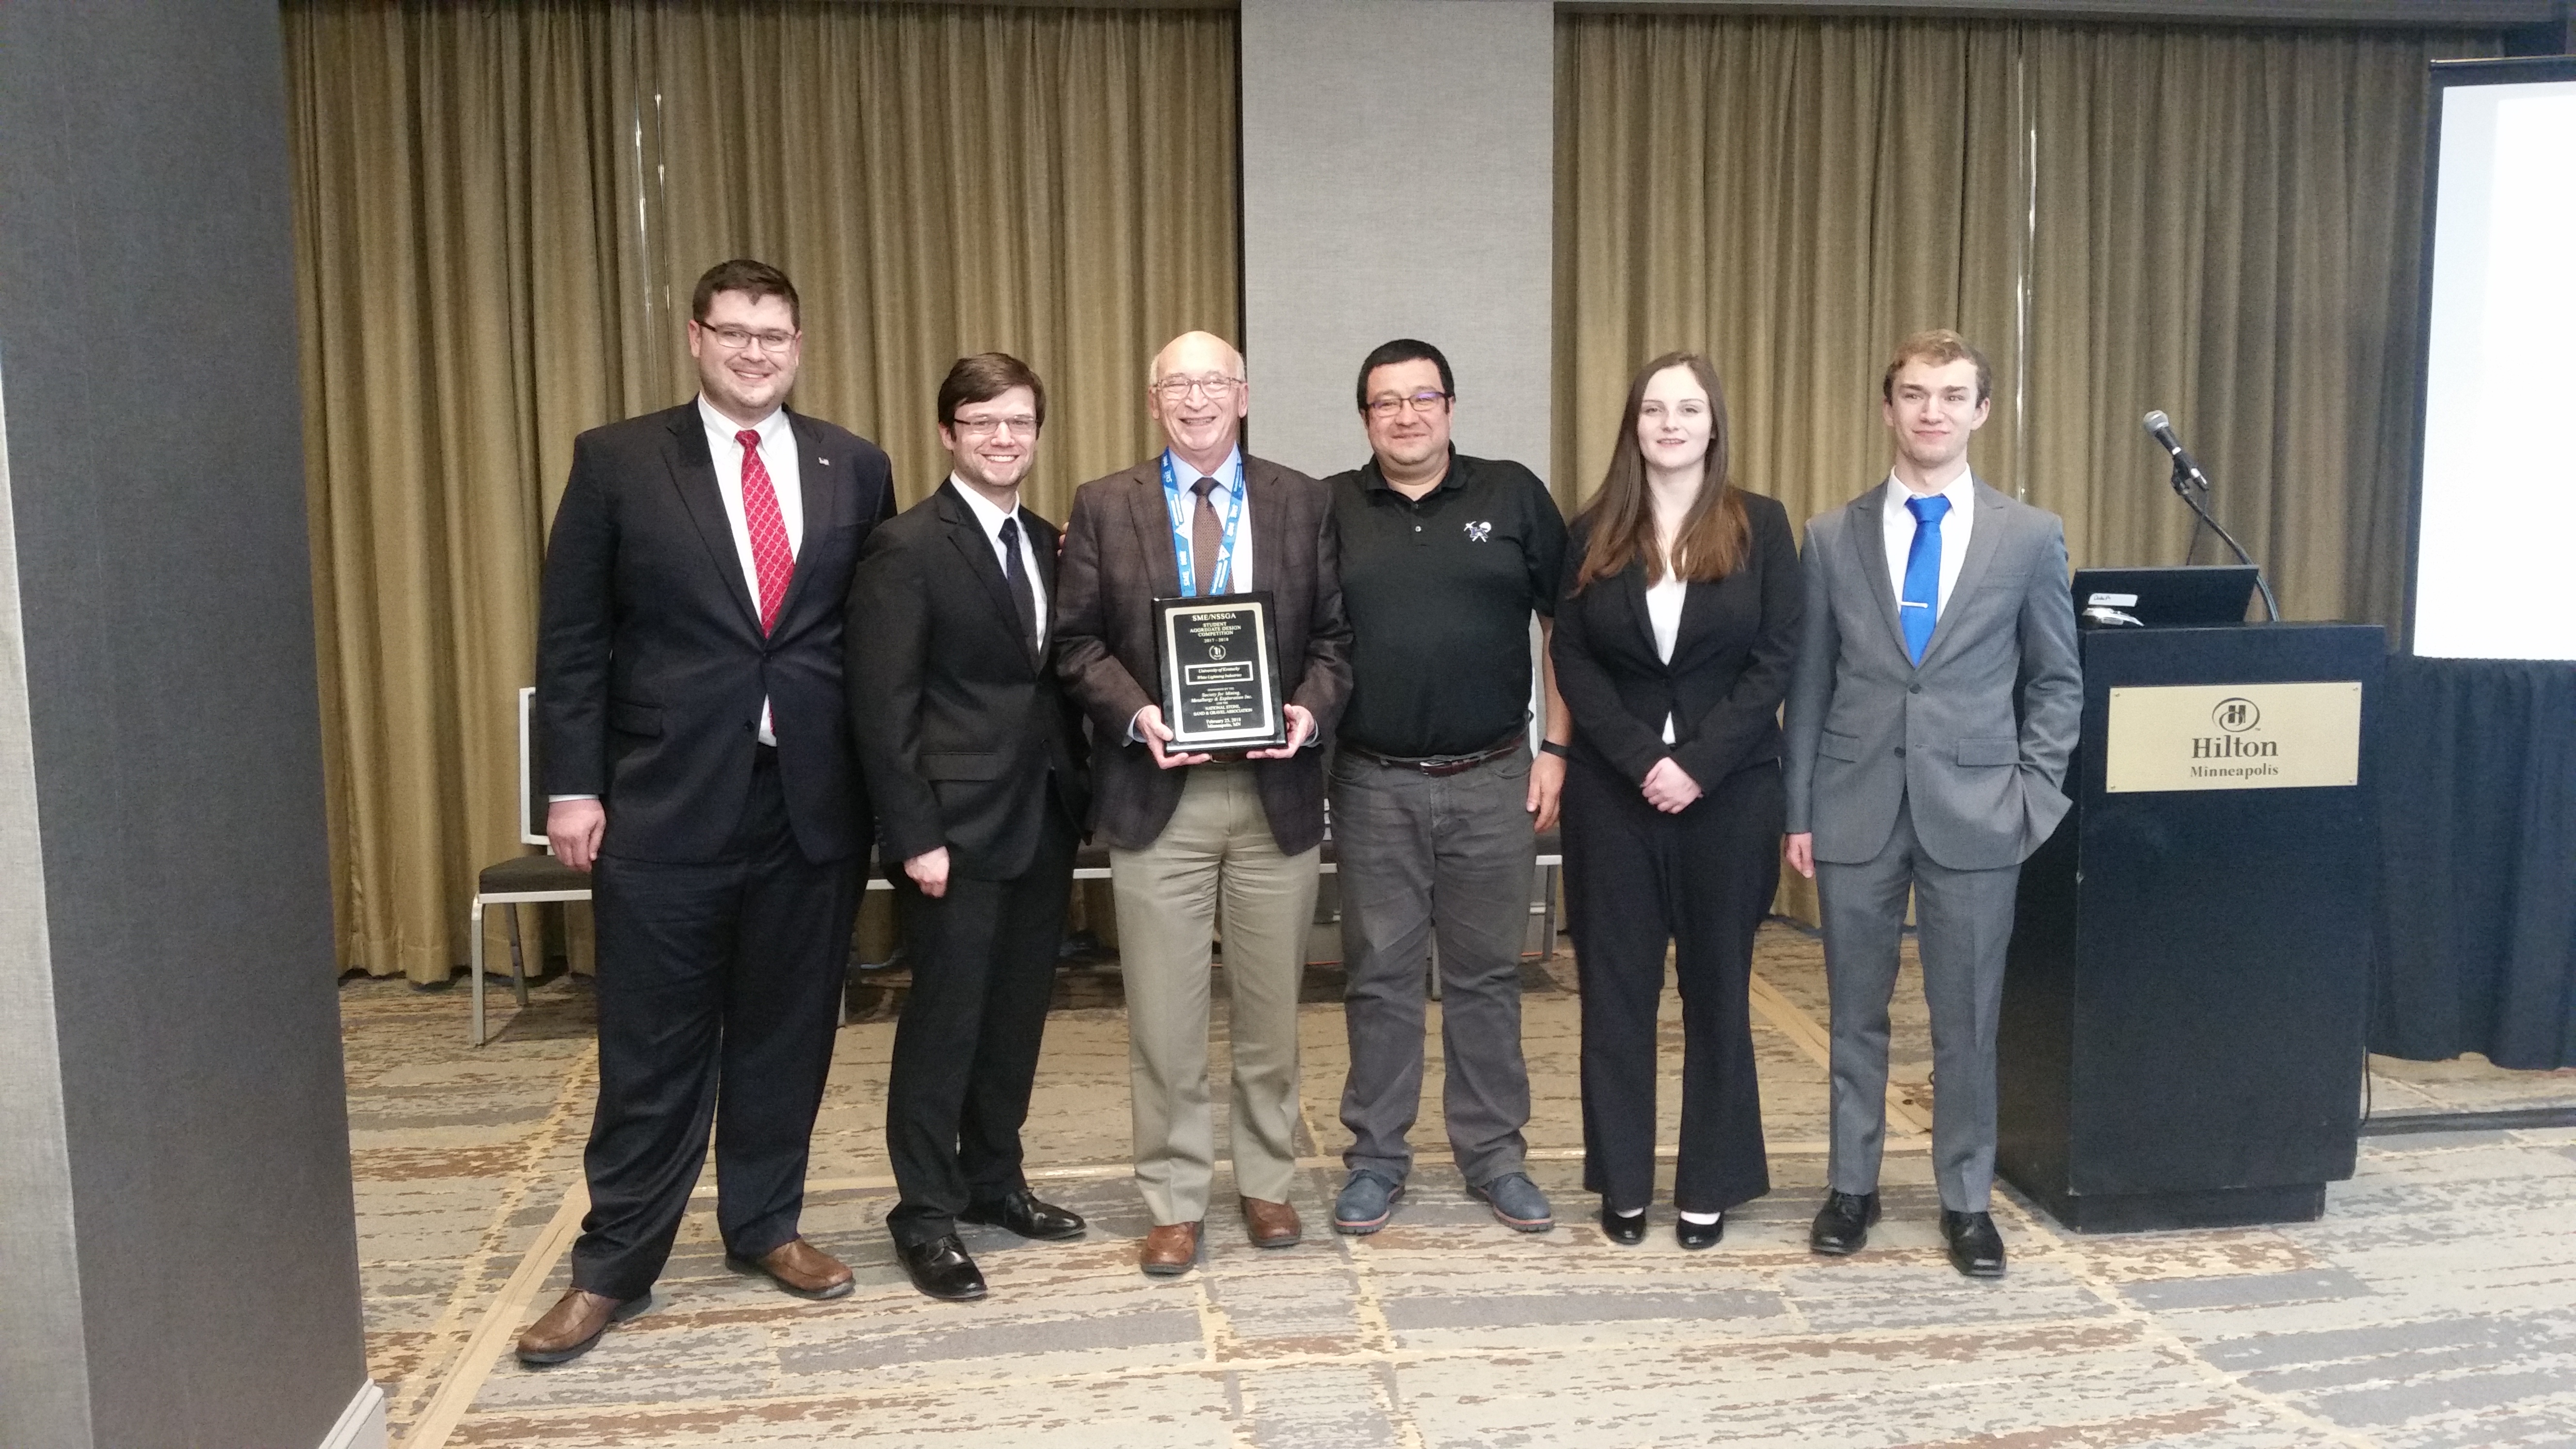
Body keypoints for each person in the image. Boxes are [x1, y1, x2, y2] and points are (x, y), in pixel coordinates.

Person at [523, 259, 894, 1363]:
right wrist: (572, 786)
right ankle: (613, 1266)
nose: (754, 353)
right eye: (733, 333)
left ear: (800, 344)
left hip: (811, 806)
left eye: (773, 336)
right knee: (652, 1044)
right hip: (665, 802)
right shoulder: (619, 461)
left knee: (788, 1031)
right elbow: (575, 636)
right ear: (695, 338)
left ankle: (766, 1225)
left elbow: (868, 637)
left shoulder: (854, 466)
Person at [1052, 330, 1353, 1276]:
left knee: (1269, 1015)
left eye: (1211, 383)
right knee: (1164, 1021)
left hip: (1275, 793)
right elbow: (1075, 646)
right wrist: (1139, 715)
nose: (1194, 400)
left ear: (1243, 394)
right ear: (1153, 402)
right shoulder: (1106, 505)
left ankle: (1266, 1182)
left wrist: (1305, 713)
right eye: (1175, 385)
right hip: (1157, 796)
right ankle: (1174, 1198)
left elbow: (1338, 641)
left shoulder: (1304, 502)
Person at [1782, 329, 2080, 1279]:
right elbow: (1810, 685)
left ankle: (1964, 1199)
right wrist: (1798, 809)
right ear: (1887, 408)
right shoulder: (1830, 536)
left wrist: (2032, 795)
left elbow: (2057, 682)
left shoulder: (2027, 537)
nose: (1932, 411)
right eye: (1914, 394)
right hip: (1853, 806)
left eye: (1953, 395)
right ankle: (1851, 1187)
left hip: (1978, 810)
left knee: (1966, 1022)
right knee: (1853, 1015)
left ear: (1980, 412)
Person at [850, 353, 1092, 1303]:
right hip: (949, 829)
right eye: (983, 421)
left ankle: (995, 1180)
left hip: (1042, 816)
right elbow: (882, 704)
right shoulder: (906, 547)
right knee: (945, 1023)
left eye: (1020, 422)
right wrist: (914, 834)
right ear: (948, 432)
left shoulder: (1045, 540)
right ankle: (924, 1213)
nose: (1004, 437)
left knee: (1016, 1018)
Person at [1551, 352, 1801, 1249]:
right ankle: (1622, 1184)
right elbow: (1571, 654)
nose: (1670, 424)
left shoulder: (1760, 525)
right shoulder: (1592, 531)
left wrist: (1694, 762)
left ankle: (1710, 1182)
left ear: (1713, 424)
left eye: (1688, 409)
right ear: (1634, 425)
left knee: (1717, 992)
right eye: (1654, 409)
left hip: (1729, 794)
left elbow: (1778, 654)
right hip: (1612, 799)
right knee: (1615, 995)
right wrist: (1634, 758)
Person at [1321, 339, 1569, 1237]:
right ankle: (1377, 1158)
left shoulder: (1512, 494)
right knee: (1378, 979)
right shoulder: (1331, 507)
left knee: (1487, 978)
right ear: (1365, 419)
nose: (1406, 415)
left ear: (1452, 408)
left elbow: (1565, 624)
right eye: (1386, 402)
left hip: (1494, 777)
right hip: (1372, 781)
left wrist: (1558, 751)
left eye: (1423, 398)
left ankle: (1495, 1156)